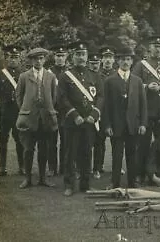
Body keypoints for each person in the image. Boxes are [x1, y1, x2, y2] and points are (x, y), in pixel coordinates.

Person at [58, 41, 104, 196]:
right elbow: (62, 98)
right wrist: (75, 115)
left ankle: (85, 184)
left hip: (89, 122)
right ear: (73, 56)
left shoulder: (95, 75)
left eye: (83, 54)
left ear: (87, 56)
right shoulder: (65, 76)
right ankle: (69, 185)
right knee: (70, 154)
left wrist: (94, 114)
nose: (80, 57)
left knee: (86, 153)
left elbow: (101, 97)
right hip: (72, 122)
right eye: (77, 54)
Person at [132, 35, 160, 183]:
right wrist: (146, 87)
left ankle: (159, 174)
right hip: (146, 112)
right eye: (154, 46)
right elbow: (132, 85)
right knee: (143, 145)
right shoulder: (141, 65)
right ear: (149, 47)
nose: (157, 49)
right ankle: (140, 174)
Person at [103, 47, 147, 188]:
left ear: (132, 61)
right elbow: (106, 106)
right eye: (123, 59)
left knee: (132, 155)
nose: (125, 62)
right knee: (116, 155)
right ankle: (115, 182)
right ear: (118, 61)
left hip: (133, 124)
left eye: (128, 59)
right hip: (116, 125)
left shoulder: (137, 81)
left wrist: (142, 124)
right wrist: (107, 125)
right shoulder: (110, 81)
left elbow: (143, 104)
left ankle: (132, 182)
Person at [16, 47, 58, 188]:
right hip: (29, 119)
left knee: (44, 149)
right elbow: (19, 96)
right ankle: (28, 178)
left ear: (44, 60)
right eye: (35, 59)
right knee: (28, 149)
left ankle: (42, 178)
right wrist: (26, 110)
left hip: (45, 119)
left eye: (41, 58)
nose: (38, 61)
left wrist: (48, 111)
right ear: (31, 60)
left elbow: (54, 97)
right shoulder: (24, 76)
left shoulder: (50, 77)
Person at [0, 45, 25, 176]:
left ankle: (22, 166)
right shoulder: (0, 73)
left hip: (18, 112)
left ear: (19, 59)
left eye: (15, 57)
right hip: (4, 112)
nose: (13, 60)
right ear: (6, 58)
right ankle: (2, 167)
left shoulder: (24, 74)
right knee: (2, 139)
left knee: (20, 140)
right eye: (10, 57)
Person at [93, 46, 116, 177]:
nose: (107, 60)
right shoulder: (97, 75)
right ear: (102, 60)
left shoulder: (117, 74)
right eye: (105, 58)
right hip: (101, 111)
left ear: (113, 60)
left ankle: (116, 166)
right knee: (99, 141)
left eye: (110, 58)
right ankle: (97, 167)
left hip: (114, 112)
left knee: (116, 140)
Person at [47, 44, 69, 176]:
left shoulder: (69, 72)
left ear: (66, 57)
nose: (60, 58)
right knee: (51, 141)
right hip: (53, 111)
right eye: (58, 56)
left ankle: (64, 167)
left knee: (66, 141)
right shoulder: (49, 73)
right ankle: (52, 167)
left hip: (66, 112)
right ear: (54, 57)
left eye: (62, 56)